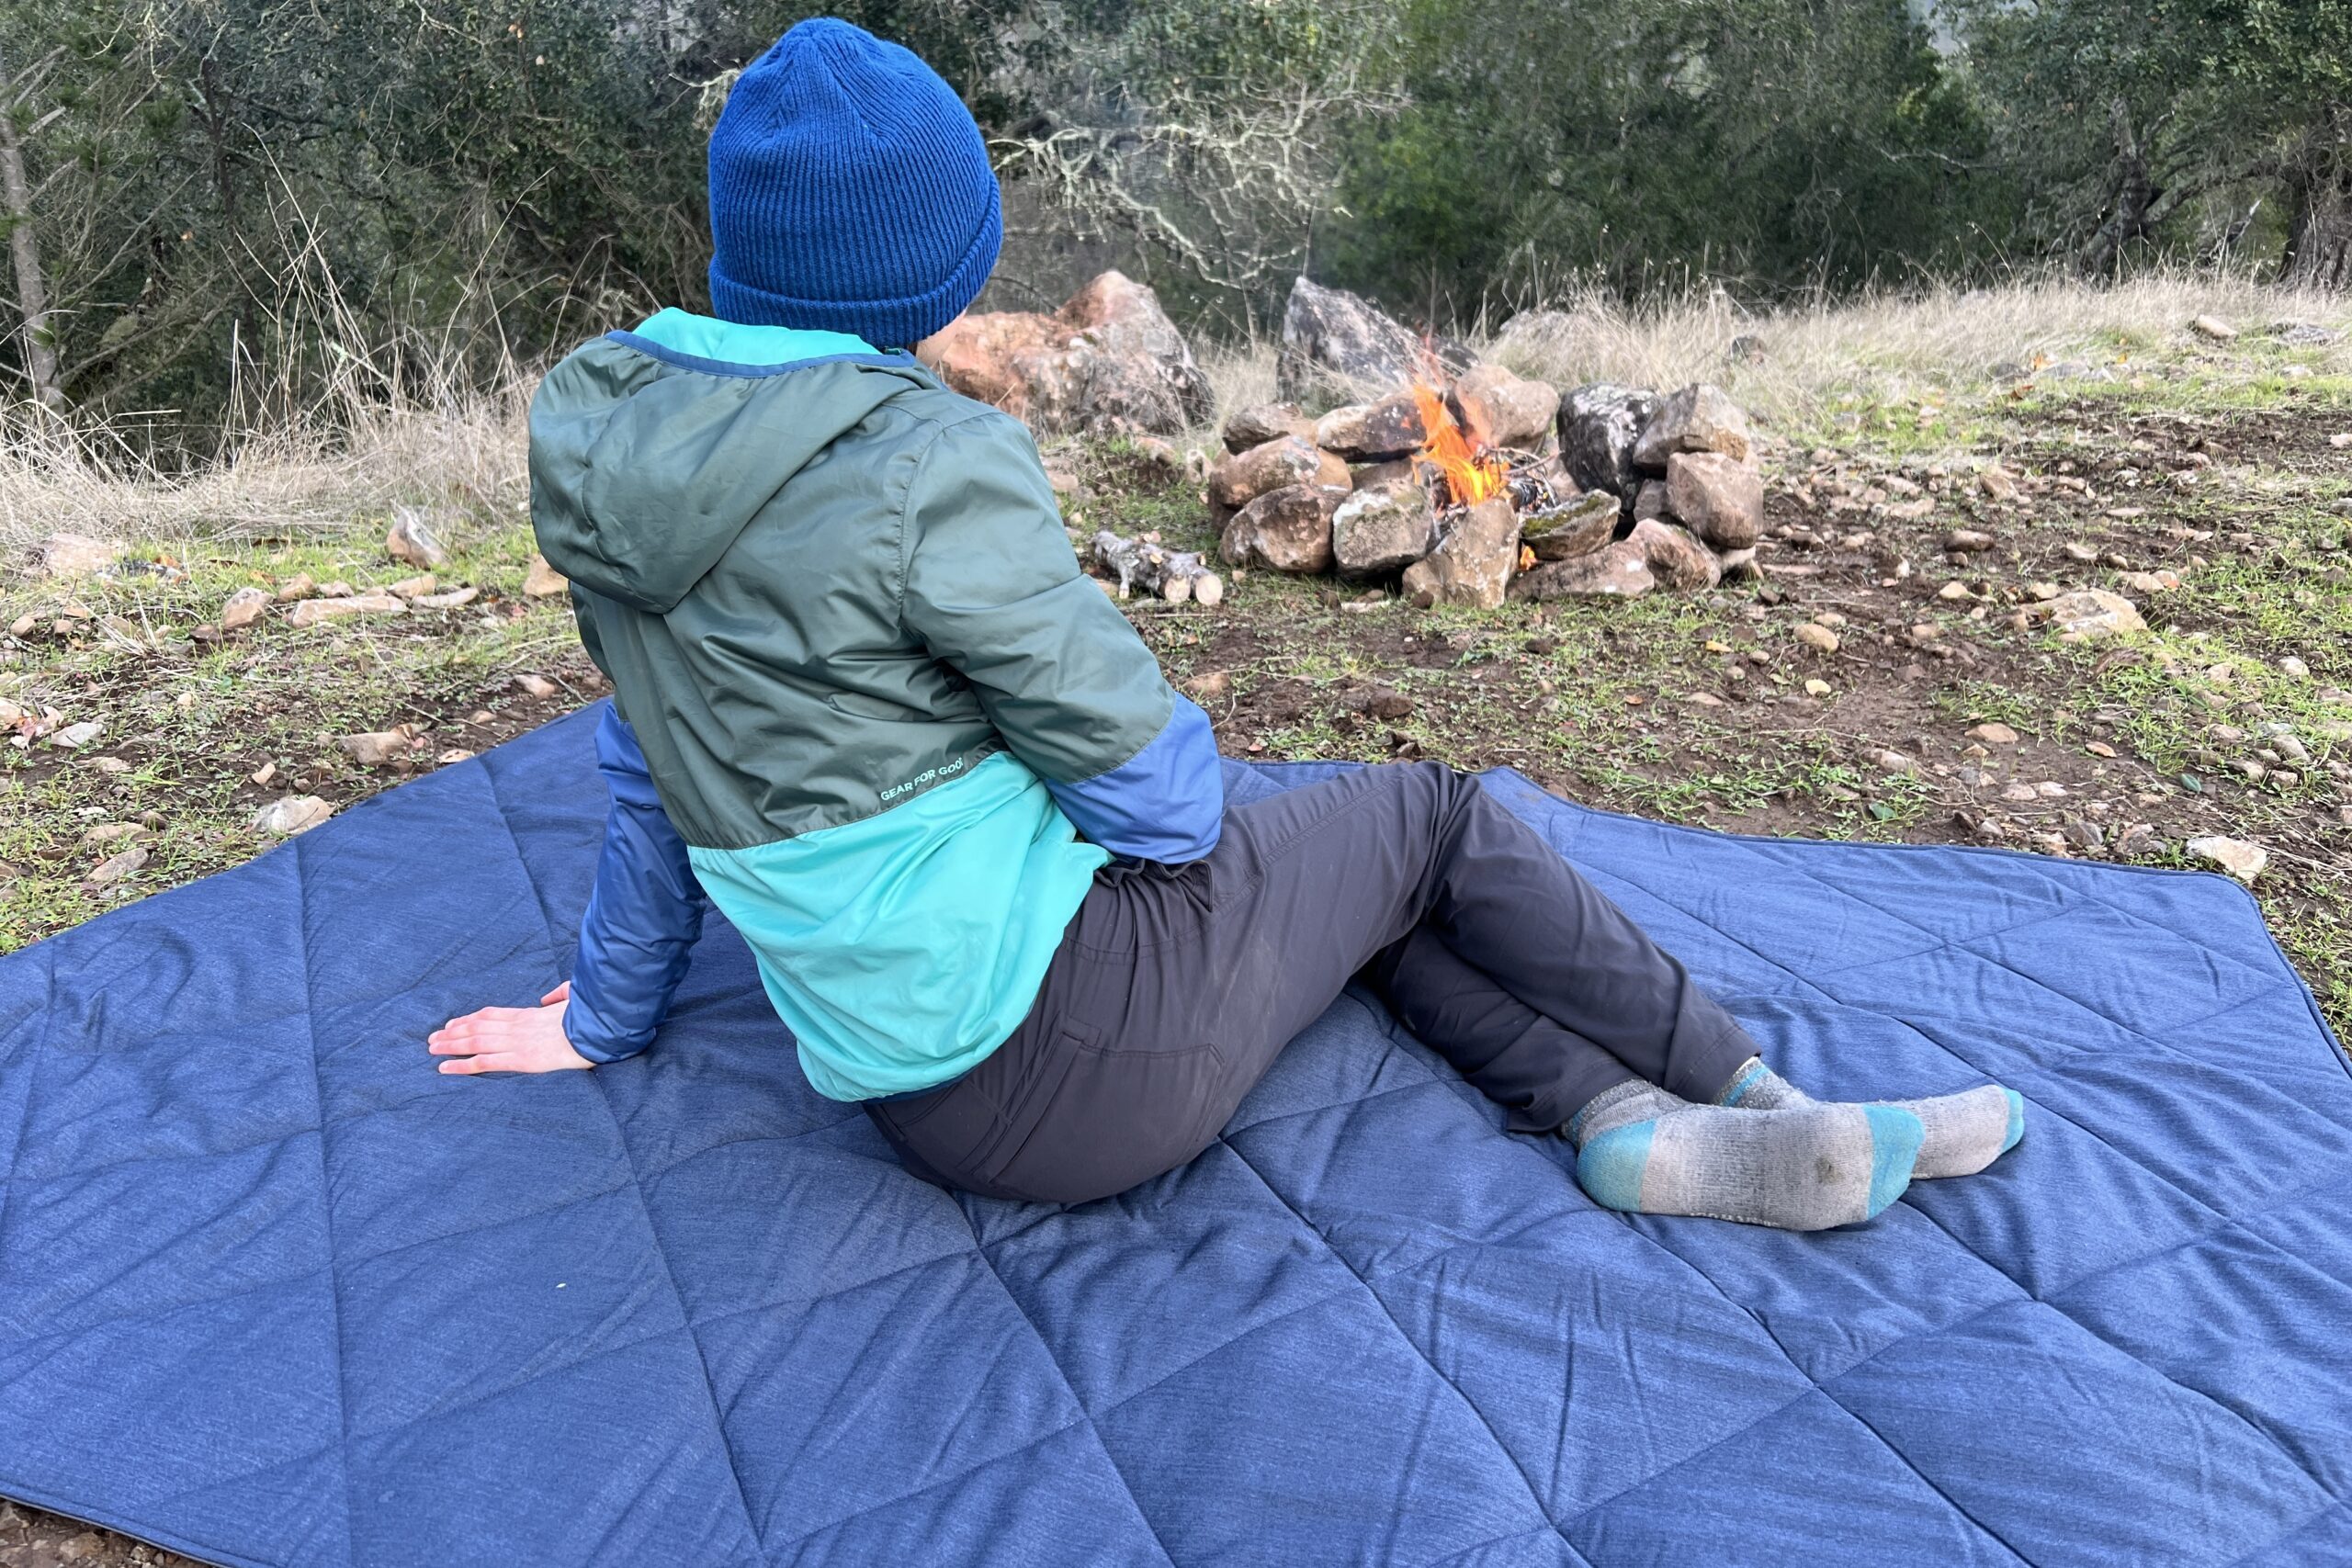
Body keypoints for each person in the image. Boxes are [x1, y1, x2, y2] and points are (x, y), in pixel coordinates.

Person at [427, 17, 2023, 1230]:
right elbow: (1167, 803)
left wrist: (610, 1016)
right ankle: (1762, 1082)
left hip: (911, 1093)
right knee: (1428, 819)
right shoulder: (918, 459)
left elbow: (648, 770)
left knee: (1346, 889)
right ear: (915, 275)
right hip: (1080, 1053)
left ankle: (1626, 1122)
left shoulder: (607, 460)